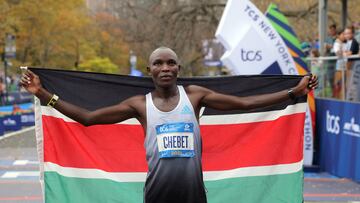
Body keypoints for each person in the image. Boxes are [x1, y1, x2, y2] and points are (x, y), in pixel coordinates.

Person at [20, 47, 318, 203]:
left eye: (171, 63)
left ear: (179, 69)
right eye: (159, 63)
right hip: (157, 194)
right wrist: (44, 94)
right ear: (149, 70)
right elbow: (88, 118)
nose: (165, 68)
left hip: (193, 194)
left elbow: (247, 104)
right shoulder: (139, 104)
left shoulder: (196, 95)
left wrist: (293, 93)